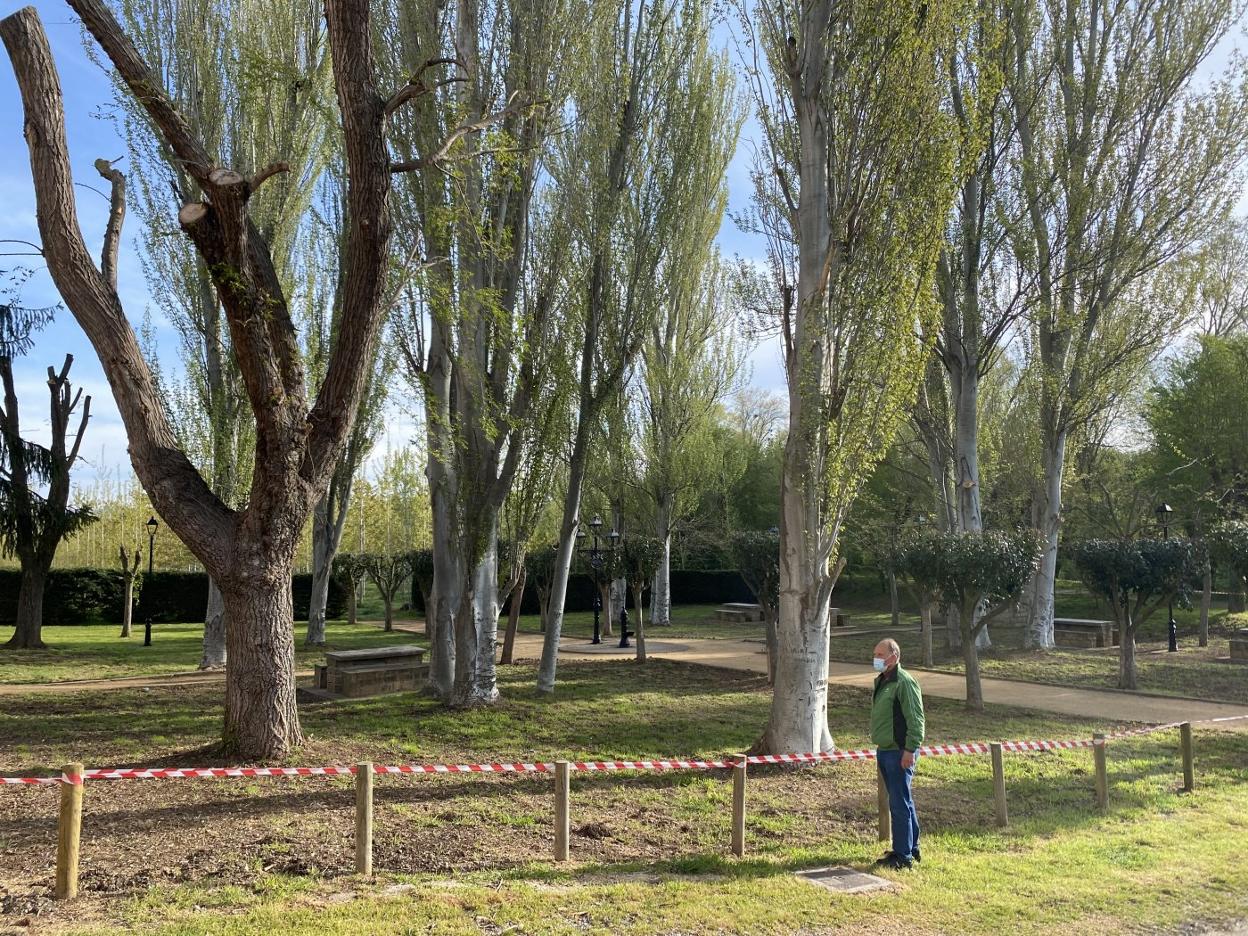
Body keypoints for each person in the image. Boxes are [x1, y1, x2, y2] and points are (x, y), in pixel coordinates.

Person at [870, 638, 925, 870]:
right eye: (876, 654)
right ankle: (910, 847)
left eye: (881, 654)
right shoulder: (883, 680)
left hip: (899, 752)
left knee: (899, 804)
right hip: (885, 750)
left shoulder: (904, 682)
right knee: (904, 801)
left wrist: (910, 749)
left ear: (895, 656)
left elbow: (916, 720)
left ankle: (902, 857)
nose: (877, 658)